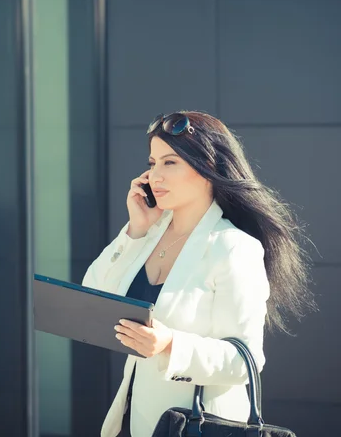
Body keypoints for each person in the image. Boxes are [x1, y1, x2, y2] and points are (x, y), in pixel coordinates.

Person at [82, 111, 315, 437]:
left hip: (198, 426)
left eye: (170, 163)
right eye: (152, 163)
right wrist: (135, 230)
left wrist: (170, 345)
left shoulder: (233, 247)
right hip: (141, 423)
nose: (154, 176)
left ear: (207, 169)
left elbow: (243, 361)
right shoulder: (148, 233)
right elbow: (93, 294)